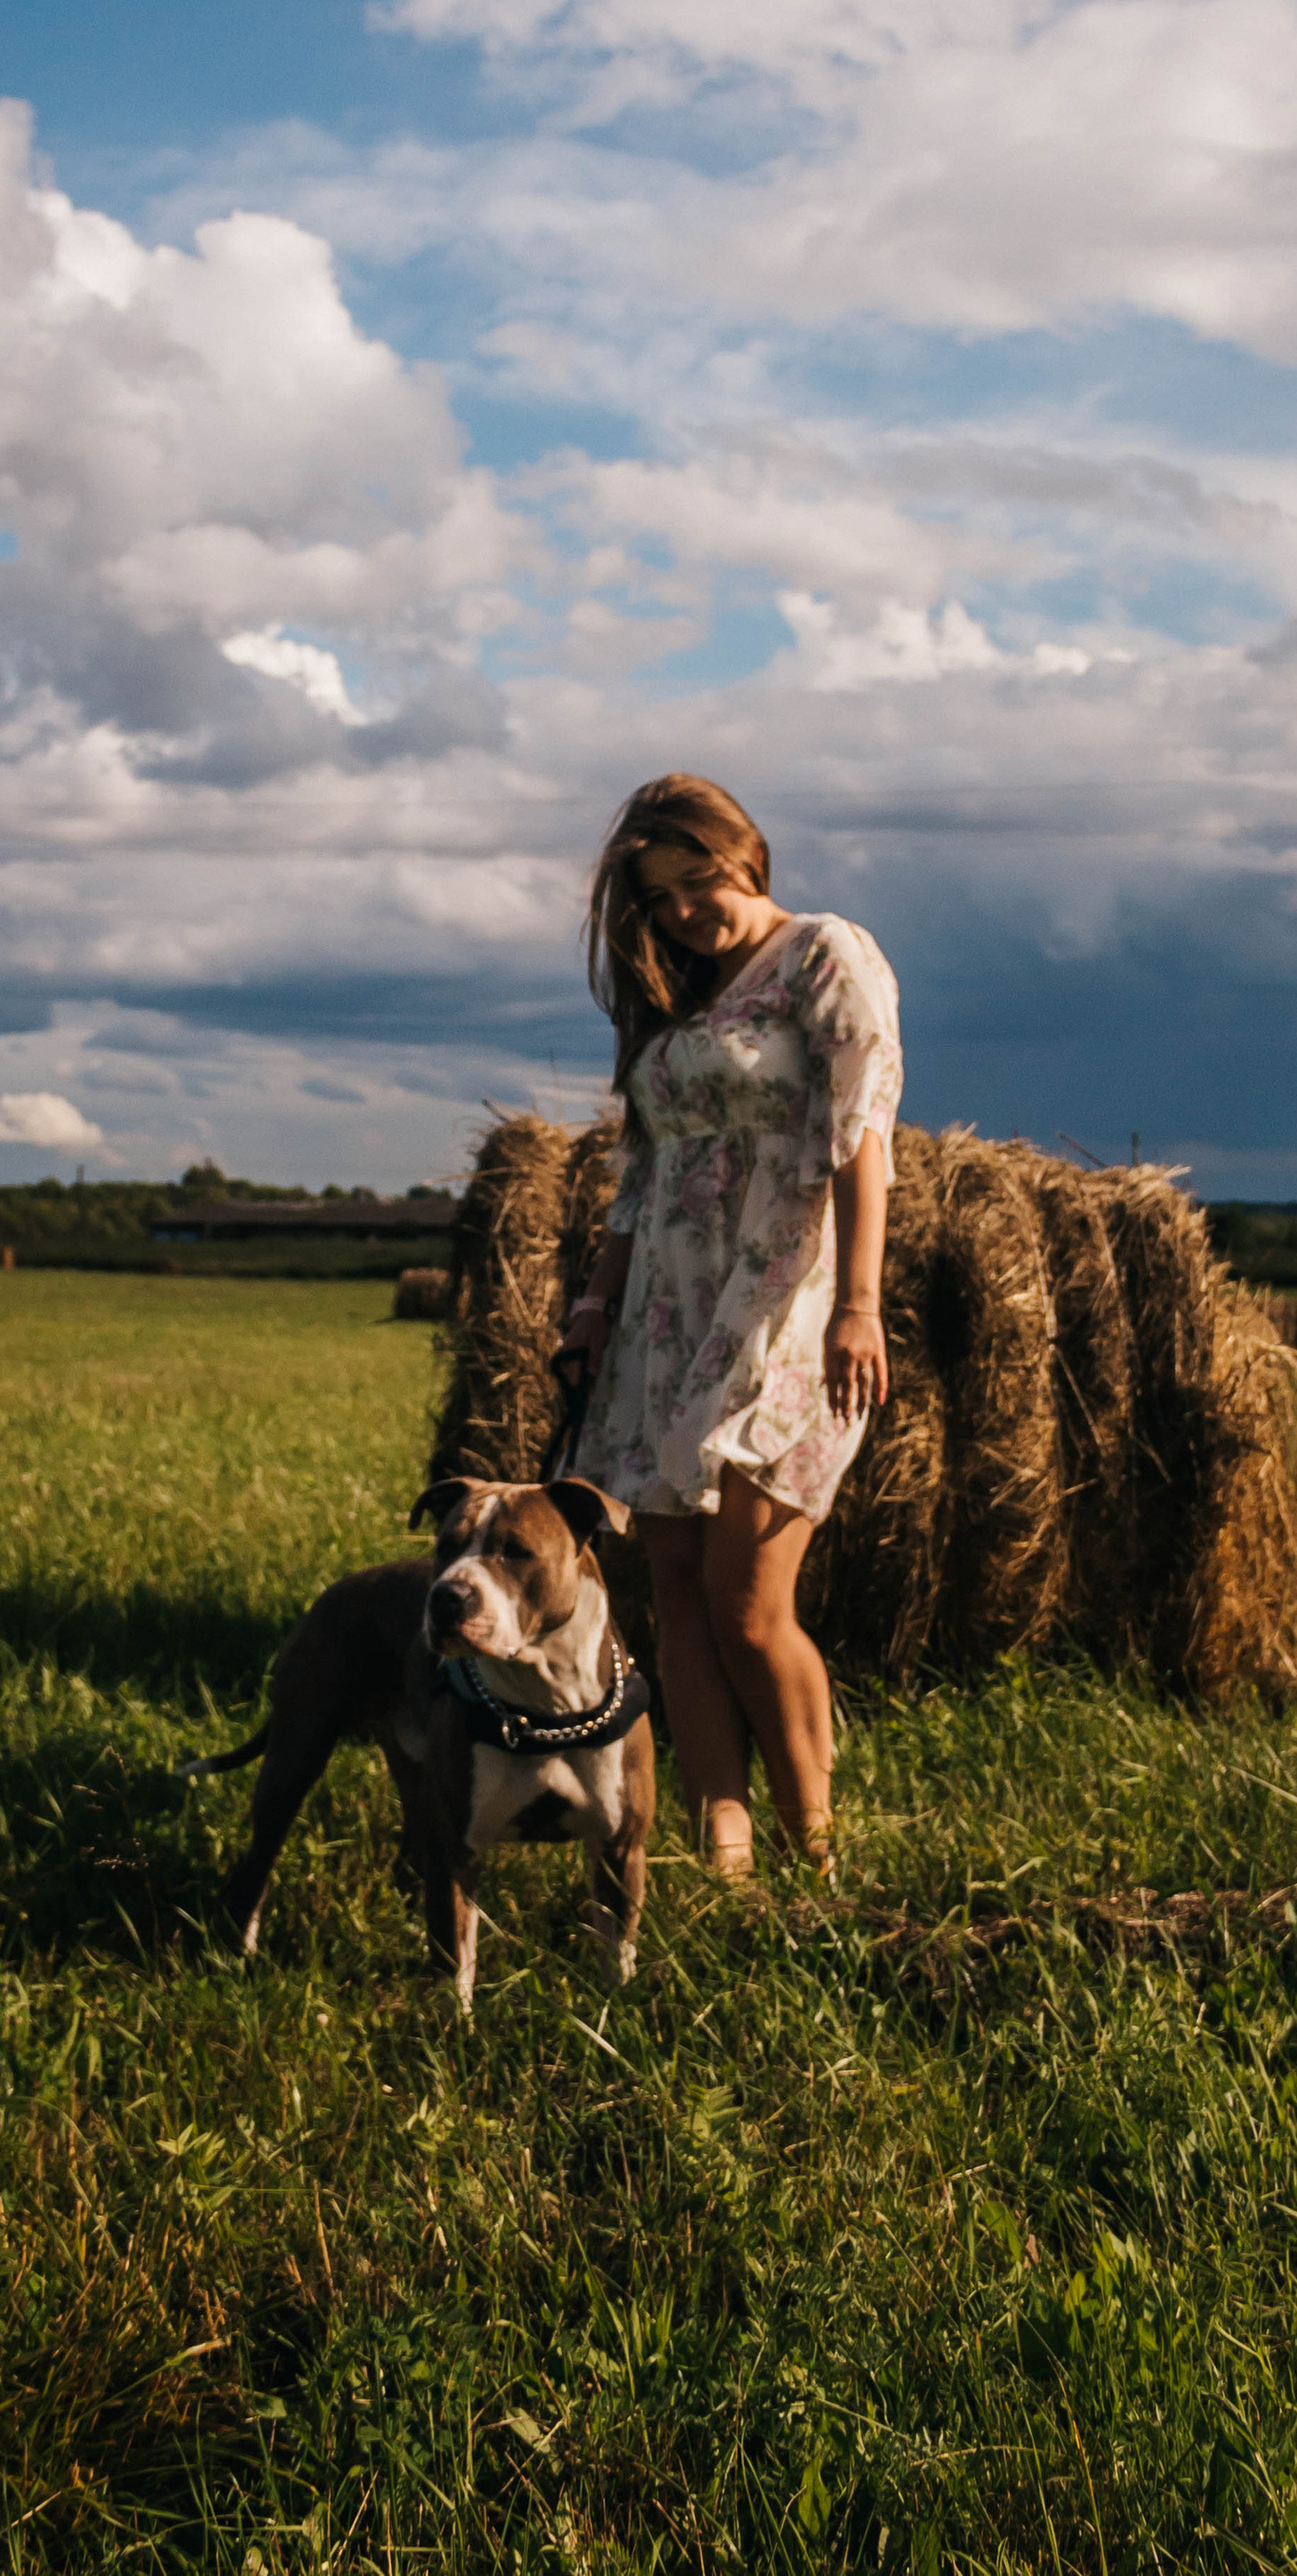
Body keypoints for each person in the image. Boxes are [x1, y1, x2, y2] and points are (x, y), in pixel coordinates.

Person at [556, 773, 902, 1878]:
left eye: (696, 882)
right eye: (658, 899)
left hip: (782, 1305)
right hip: (665, 1316)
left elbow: (861, 1133)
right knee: (674, 1594)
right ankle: (725, 1851)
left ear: (744, 854)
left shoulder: (822, 955)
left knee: (746, 1602)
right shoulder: (675, 994)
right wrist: (595, 1305)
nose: (682, 912)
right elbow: (640, 1174)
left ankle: (816, 1855)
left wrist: (858, 1304)